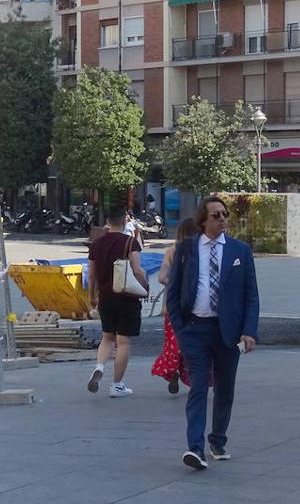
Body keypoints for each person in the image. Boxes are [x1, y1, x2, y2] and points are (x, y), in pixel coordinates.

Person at [166, 195, 259, 471]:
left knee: (225, 387)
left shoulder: (239, 251)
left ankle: (217, 440)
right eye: (216, 215)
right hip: (195, 329)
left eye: (224, 214)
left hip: (227, 331)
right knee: (198, 386)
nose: (222, 219)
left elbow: (251, 296)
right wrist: (181, 330)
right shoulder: (187, 249)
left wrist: (249, 331)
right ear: (203, 220)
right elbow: (173, 292)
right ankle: (195, 448)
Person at [86, 205, 149, 397]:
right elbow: (137, 270)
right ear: (124, 220)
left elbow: (91, 273)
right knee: (123, 342)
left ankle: (99, 366)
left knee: (107, 337)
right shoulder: (130, 243)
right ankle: (117, 385)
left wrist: (92, 296)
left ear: (107, 221)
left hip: (106, 297)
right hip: (126, 297)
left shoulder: (96, 244)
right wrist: (145, 286)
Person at [151, 219, 198, 394]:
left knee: (173, 344)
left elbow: (162, 277)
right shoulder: (200, 251)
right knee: (193, 344)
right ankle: (194, 377)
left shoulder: (172, 251)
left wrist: (176, 284)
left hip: (173, 307)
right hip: (195, 308)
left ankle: (172, 371)